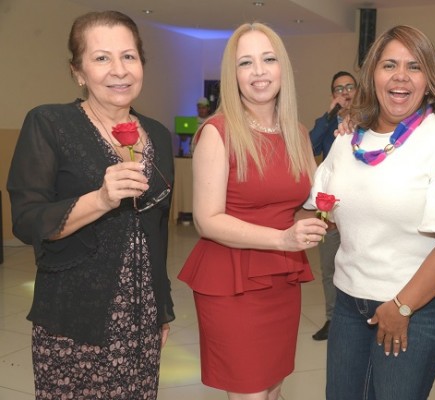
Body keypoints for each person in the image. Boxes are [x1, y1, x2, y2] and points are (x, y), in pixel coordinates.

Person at [306, 25, 435, 400]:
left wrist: (401, 305)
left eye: (414, 66)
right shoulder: (347, 140)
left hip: (417, 307)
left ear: (428, 80)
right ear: (372, 75)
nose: (400, 76)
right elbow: (316, 211)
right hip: (349, 303)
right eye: (389, 64)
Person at [7, 10, 174, 399]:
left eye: (129, 56)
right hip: (72, 319)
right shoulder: (50, 124)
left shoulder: (160, 137)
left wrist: (161, 309)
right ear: (78, 71)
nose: (119, 70)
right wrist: (99, 199)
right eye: (101, 58)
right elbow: (27, 220)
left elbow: (159, 232)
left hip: (141, 319)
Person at [178, 22, 328, 400]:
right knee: (250, 392)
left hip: (281, 278)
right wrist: (282, 237)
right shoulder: (217, 132)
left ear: (283, 68)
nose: (259, 71)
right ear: (234, 75)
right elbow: (206, 220)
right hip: (231, 281)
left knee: (274, 385)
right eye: (246, 63)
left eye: (268, 59)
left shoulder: (296, 131)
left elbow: (314, 201)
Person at [309, 70, 357, 341]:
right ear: (333, 96)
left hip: (360, 207)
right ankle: (332, 319)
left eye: (350, 87)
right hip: (330, 209)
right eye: (339, 89)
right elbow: (309, 147)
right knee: (329, 268)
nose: (346, 92)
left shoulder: (372, 121)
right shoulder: (325, 123)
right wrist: (328, 118)